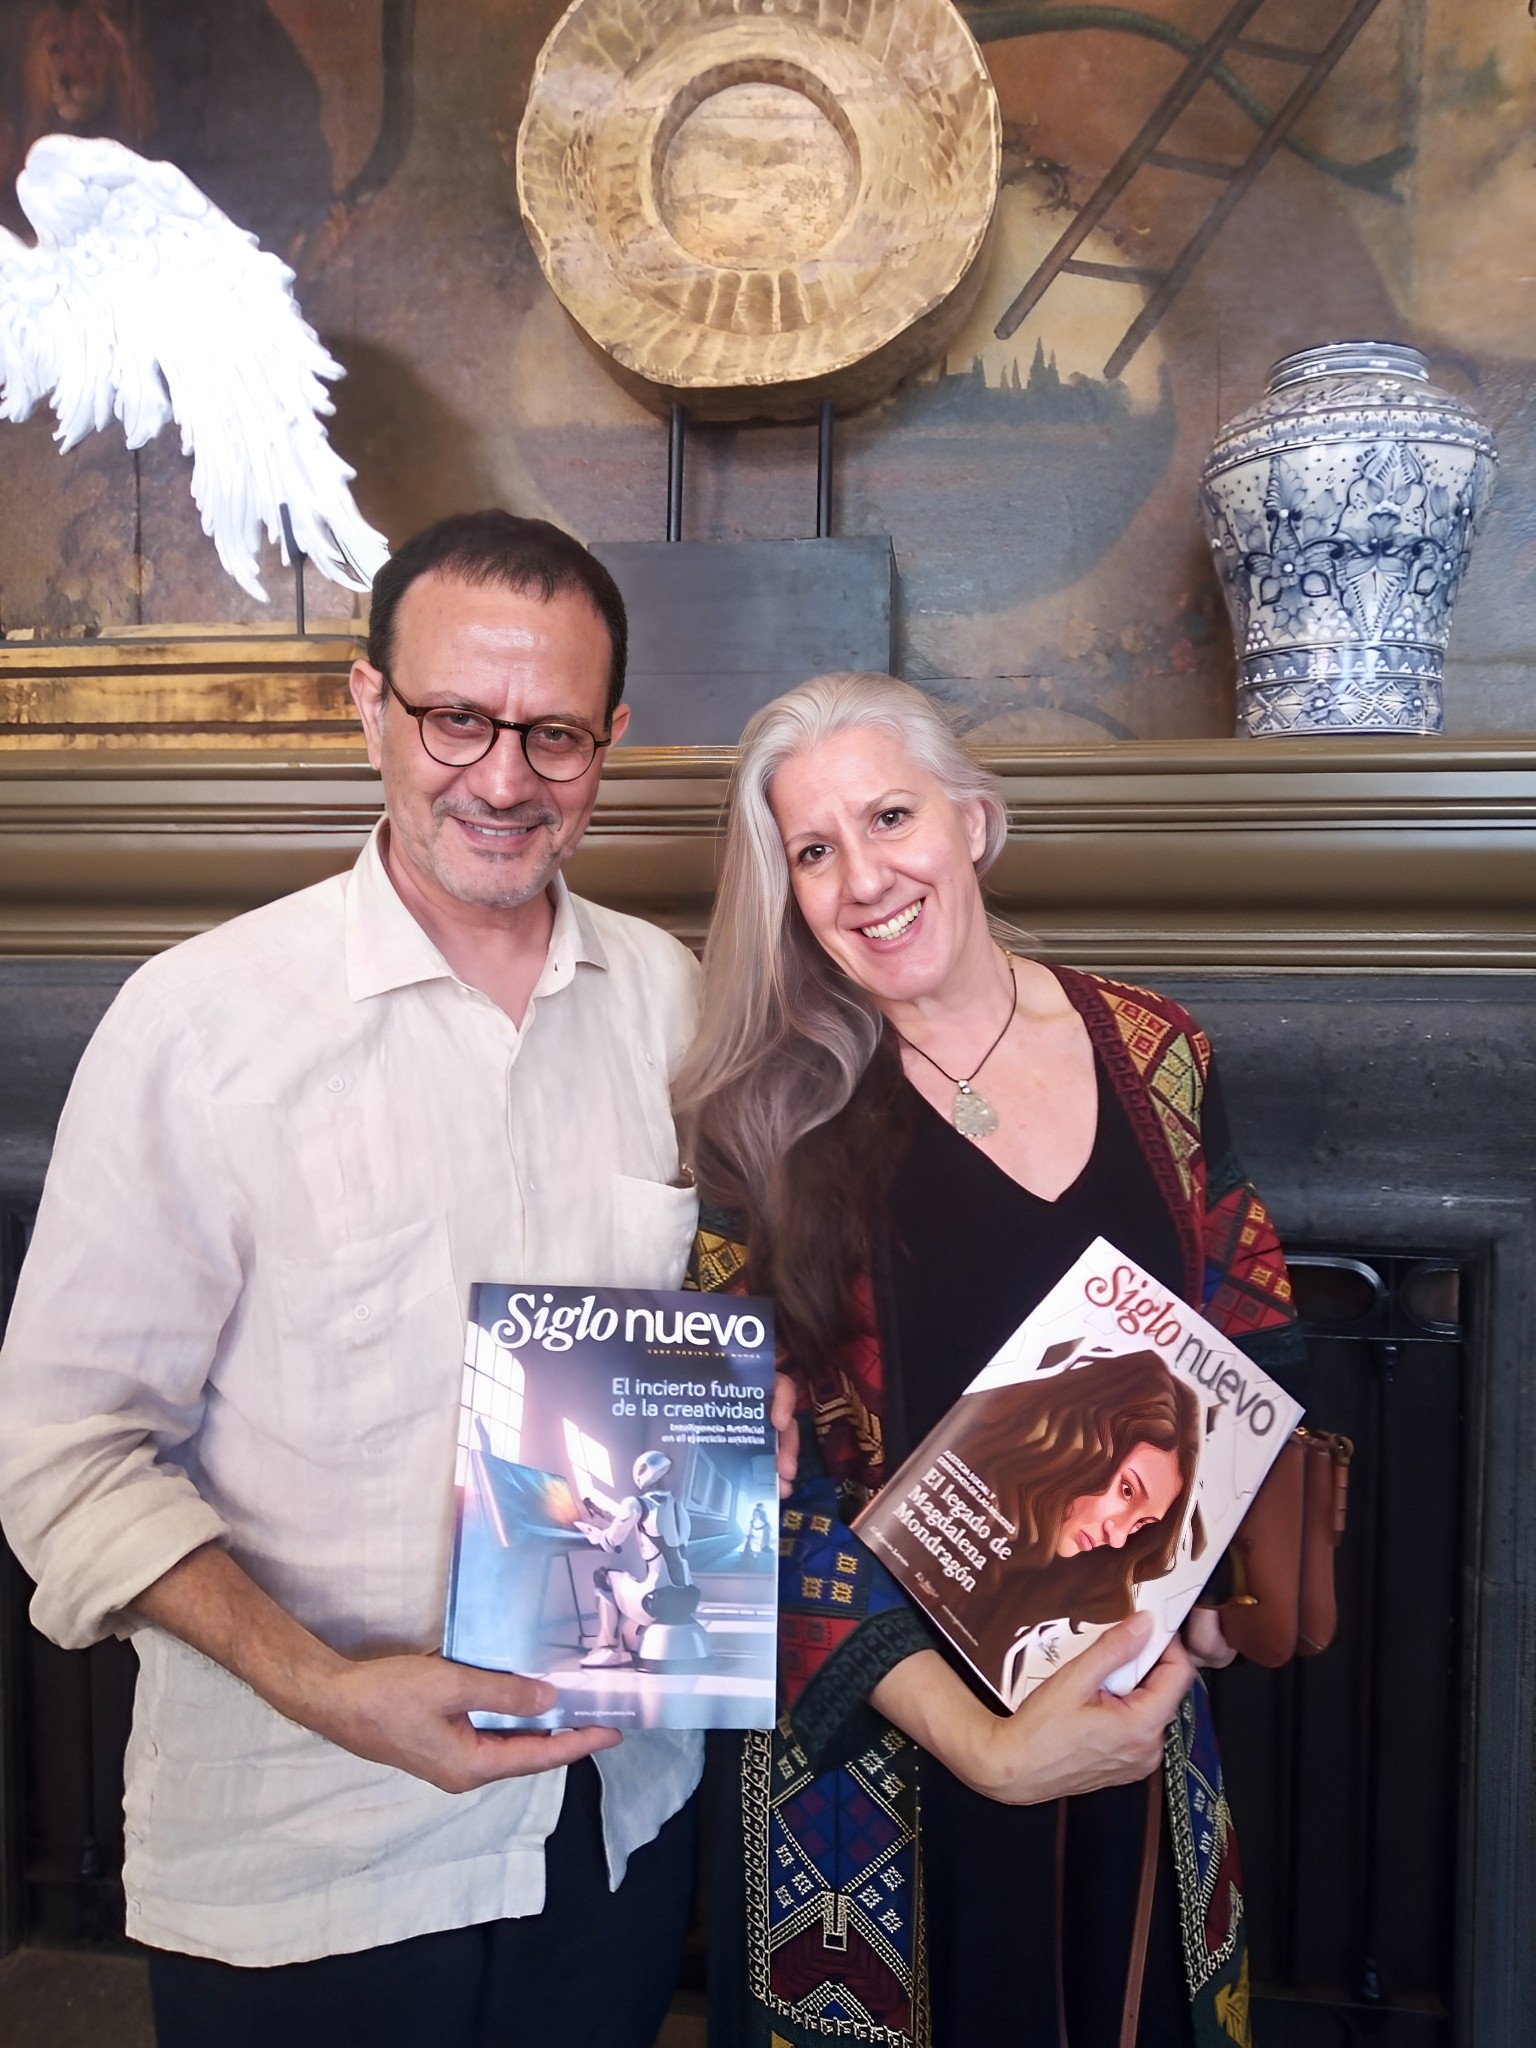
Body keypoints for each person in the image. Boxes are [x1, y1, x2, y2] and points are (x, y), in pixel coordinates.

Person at [0, 512, 717, 2048]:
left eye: (554, 735)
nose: (503, 778)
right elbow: (64, 1456)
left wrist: (748, 1419)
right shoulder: (199, 1026)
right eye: (457, 717)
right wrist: (323, 1683)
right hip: (309, 1855)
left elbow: (698, 1363)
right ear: (369, 704)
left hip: (609, 1828)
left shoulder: (675, 1002)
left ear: (611, 741)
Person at [674, 672, 1302, 2048]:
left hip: (1133, 1716)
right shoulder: (766, 1117)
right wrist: (992, 1751)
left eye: (890, 817)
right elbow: (736, 1501)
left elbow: (1252, 1329)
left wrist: (1219, 1591)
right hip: (876, 1771)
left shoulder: (1160, 1054)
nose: (863, 879)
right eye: (813, 850)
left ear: (972, 819)